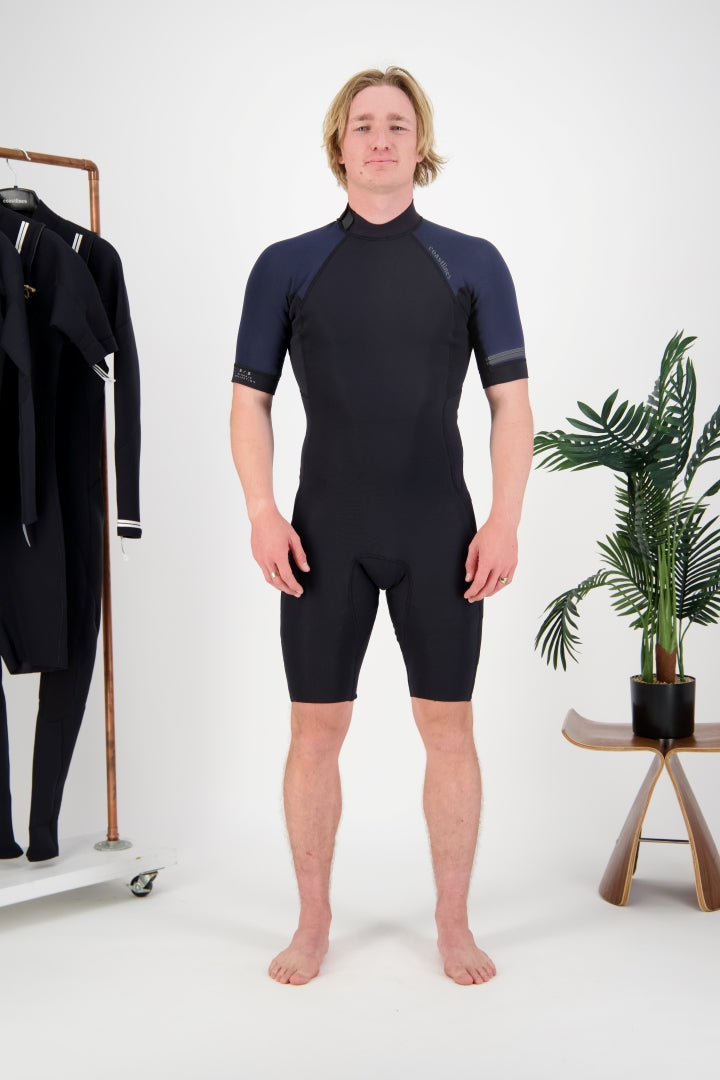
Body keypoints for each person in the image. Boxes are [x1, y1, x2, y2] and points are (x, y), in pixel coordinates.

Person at [230, 66, 533, 986]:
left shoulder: (473, 261)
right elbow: (249, 402)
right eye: (363, 124)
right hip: (323, 534)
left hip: (442, 530)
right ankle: (312, 922)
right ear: (340, 143)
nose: (380, 138)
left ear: (419, 142)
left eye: (398, 124)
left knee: (450, 728)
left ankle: (453, 925)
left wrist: (506, 519)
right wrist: (262, 511)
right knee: (314, 733)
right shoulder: (285, 265)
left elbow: (511, 404)